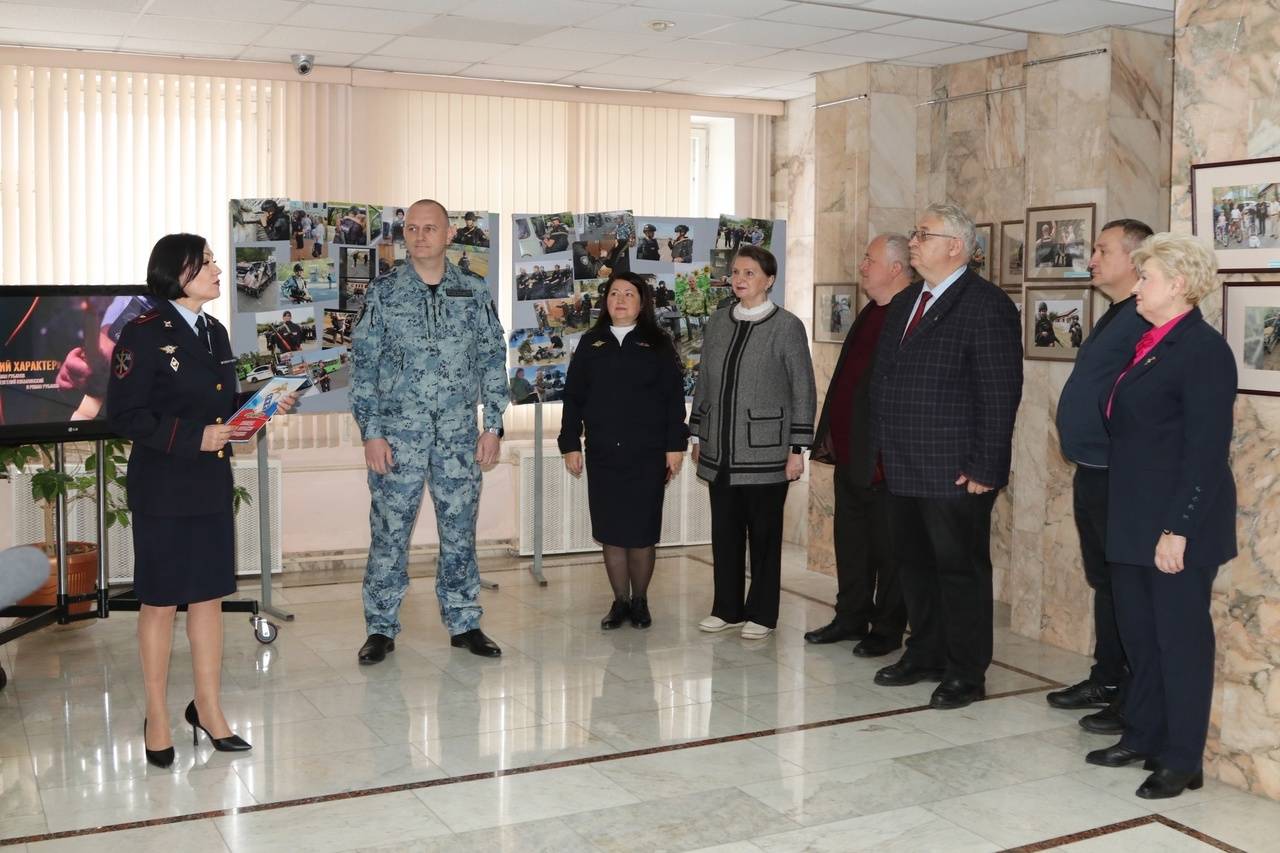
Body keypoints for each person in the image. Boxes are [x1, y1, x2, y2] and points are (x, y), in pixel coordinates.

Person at [107, 234, 296, 767]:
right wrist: (197, 437)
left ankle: (208, 710)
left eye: (214, 261)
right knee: (161, 601)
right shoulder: (141, 333)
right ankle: (157, 716)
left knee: (210, 597)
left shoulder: (214, 332)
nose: (217, 270)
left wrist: (261, 407)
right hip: (163, 485)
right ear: (177, 272)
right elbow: (125, 415)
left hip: (210, 483)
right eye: (206, 262)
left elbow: (219, 403)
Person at [1084, 233, 1237, 800]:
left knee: (1179, 641)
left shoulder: (1203, 351)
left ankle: (1181, 758)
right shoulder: (1151, 341)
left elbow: (1205, 452)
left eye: (1146, 277)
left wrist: (1179, 529)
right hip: (1132, 516)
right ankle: (1143, 733)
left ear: (1178, 284)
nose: (1137, 287)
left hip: (1175, 525)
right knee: (1140, 637)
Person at [869, 203, 1022, 710]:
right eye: (914, 234)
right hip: (902, 463)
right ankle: (926, 652)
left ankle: (965, 672)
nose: (913, 242)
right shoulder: (907, 300)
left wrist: (986, 465)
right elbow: (885, 377)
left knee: (960, 571)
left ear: (955, 246)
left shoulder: (986, 305)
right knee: (913, 565)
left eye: (923, 235)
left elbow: (1000, 394)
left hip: (956, 468)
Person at [350, 199, 508, 662]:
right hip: (397, 437)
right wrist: (371, 433)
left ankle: (464, 621)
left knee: (459, 532)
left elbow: (492, 359)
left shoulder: (473, 291)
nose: (420, 236)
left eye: (430, 228)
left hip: (459, 437)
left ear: (449, 235)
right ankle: (380, 627)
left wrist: (492, 425)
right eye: (412, 228)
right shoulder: (383, 293)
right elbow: (364, 367)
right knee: (389, 534)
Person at [1050, 219, 1154, 734]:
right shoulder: (1117, 313)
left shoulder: (1144, 318)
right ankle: (1107, 677)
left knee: (1126, 587)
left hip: (1120, 475)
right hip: (1092, 470)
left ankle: (1130, 693)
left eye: (1102, 250)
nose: (1091, 259)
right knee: (1106, 582)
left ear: (1135, 259)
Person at [690, 244, 815, 640]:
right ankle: (726, 609)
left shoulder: (787, 326)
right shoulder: (718, 321)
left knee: (763, 536)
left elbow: (803, 389)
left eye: (749, 273)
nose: (739, 279)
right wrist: (697, 432)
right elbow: (705, 380)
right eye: (736, 272)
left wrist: (798, 448)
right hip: (720, 449)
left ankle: (762, 613)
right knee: (725, 534)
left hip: (767, 451)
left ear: (769, 280)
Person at [559, 273, 688, 630]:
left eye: (629, 294)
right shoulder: (591, 342)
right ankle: (620, 601)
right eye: (614, 293)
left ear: (642, 302)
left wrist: (675, 445)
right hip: (603, 453)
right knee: (611, 530)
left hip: (648, 454)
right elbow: (573, 397)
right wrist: (570, 444)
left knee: (642, 531)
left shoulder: (658, 343)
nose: (620, 299)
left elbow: (673, 398)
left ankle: (640, 601)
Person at [805, 234, 912, 656]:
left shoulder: (909, 315)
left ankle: (887, 628)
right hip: (852, 453)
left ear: (896, 269)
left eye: (870, 260)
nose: (863, 266)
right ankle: (850, 616)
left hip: (884, 461)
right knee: (851, 543)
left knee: (890, 549)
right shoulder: (871, 310)